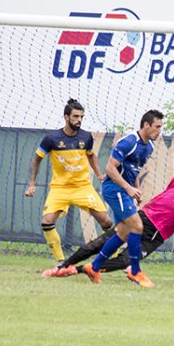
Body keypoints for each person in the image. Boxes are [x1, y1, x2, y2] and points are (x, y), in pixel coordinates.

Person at [42, 135, 174, 288]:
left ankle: (80, 269)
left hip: (158, 235)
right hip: (146, 218)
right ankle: (63, 266)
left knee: (124, 260)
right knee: (103, 241)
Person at [24, 98, 112, 268]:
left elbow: (91, 155)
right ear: (66, 117)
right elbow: (36, 159)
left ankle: (113, 257)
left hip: (83, 187)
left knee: (107, 222)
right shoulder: (51, 138)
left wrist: (99, 174)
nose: (79, 120)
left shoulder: (86, 137)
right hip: (60, 188)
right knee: (47, 222)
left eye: (81, 117)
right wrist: (32, 184)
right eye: (75, 116)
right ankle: (60, 262)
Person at [92, 109, 164, 286]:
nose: (159, 131)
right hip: (114, 188)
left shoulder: (150, 146)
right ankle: (135, 271)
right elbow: (110, 168)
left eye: (161, 127)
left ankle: (94, 267)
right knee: (137, 226)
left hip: (125, 191)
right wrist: (128, 188)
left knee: (123, 233)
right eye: (157, 127)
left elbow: (136, 171)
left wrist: (137, 191)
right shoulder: (129, 142)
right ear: (146, 125)